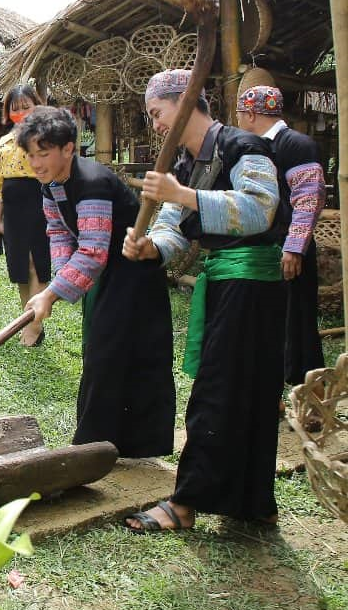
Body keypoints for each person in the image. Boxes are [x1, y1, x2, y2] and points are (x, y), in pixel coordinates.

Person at [123, 69, 283, 532]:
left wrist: (185, 195)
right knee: (239, 391)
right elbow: (172, 225)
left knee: (225, 392)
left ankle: (186, 504)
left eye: (157, 113)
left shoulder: (241, 147)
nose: (154, 125)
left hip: (253, 283)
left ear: (186, 102)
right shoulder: (186, 165)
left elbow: (260, 209)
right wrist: (150, 246)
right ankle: (252, 503)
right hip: (229, 284)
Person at [18, 107, 175, 457]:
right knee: (102, 353)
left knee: (116, 356)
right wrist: (60, 276)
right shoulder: (51, 185)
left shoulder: (92, 183)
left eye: (43, 153)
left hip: (133, 274)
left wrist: (50, 295)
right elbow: (59, 233)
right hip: (106, 275)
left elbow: (92, 253)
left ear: (69, 148)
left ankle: (92, 448)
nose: (36, 163)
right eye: (30, 155)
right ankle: (105, 447)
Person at [235, 85, 326, 390]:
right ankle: (269, 395)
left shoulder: (298, 145)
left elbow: (308, 199)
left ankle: (310, 397)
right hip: (260, 250)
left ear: (249, 114)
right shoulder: (252, 146)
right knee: (263, 324)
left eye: (239, 114)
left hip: (289, 249)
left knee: (298, 323)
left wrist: (295, 248)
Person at [0, 84, 51, 347]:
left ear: (36, 105)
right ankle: (27, 319)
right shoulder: (4, 141)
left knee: (36, 263)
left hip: (39, 202)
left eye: (26, 105)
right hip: (13, 209)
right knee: (19, 268)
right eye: (15, 108)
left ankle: (35, 325)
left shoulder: (45, 135)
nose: (21, 111)